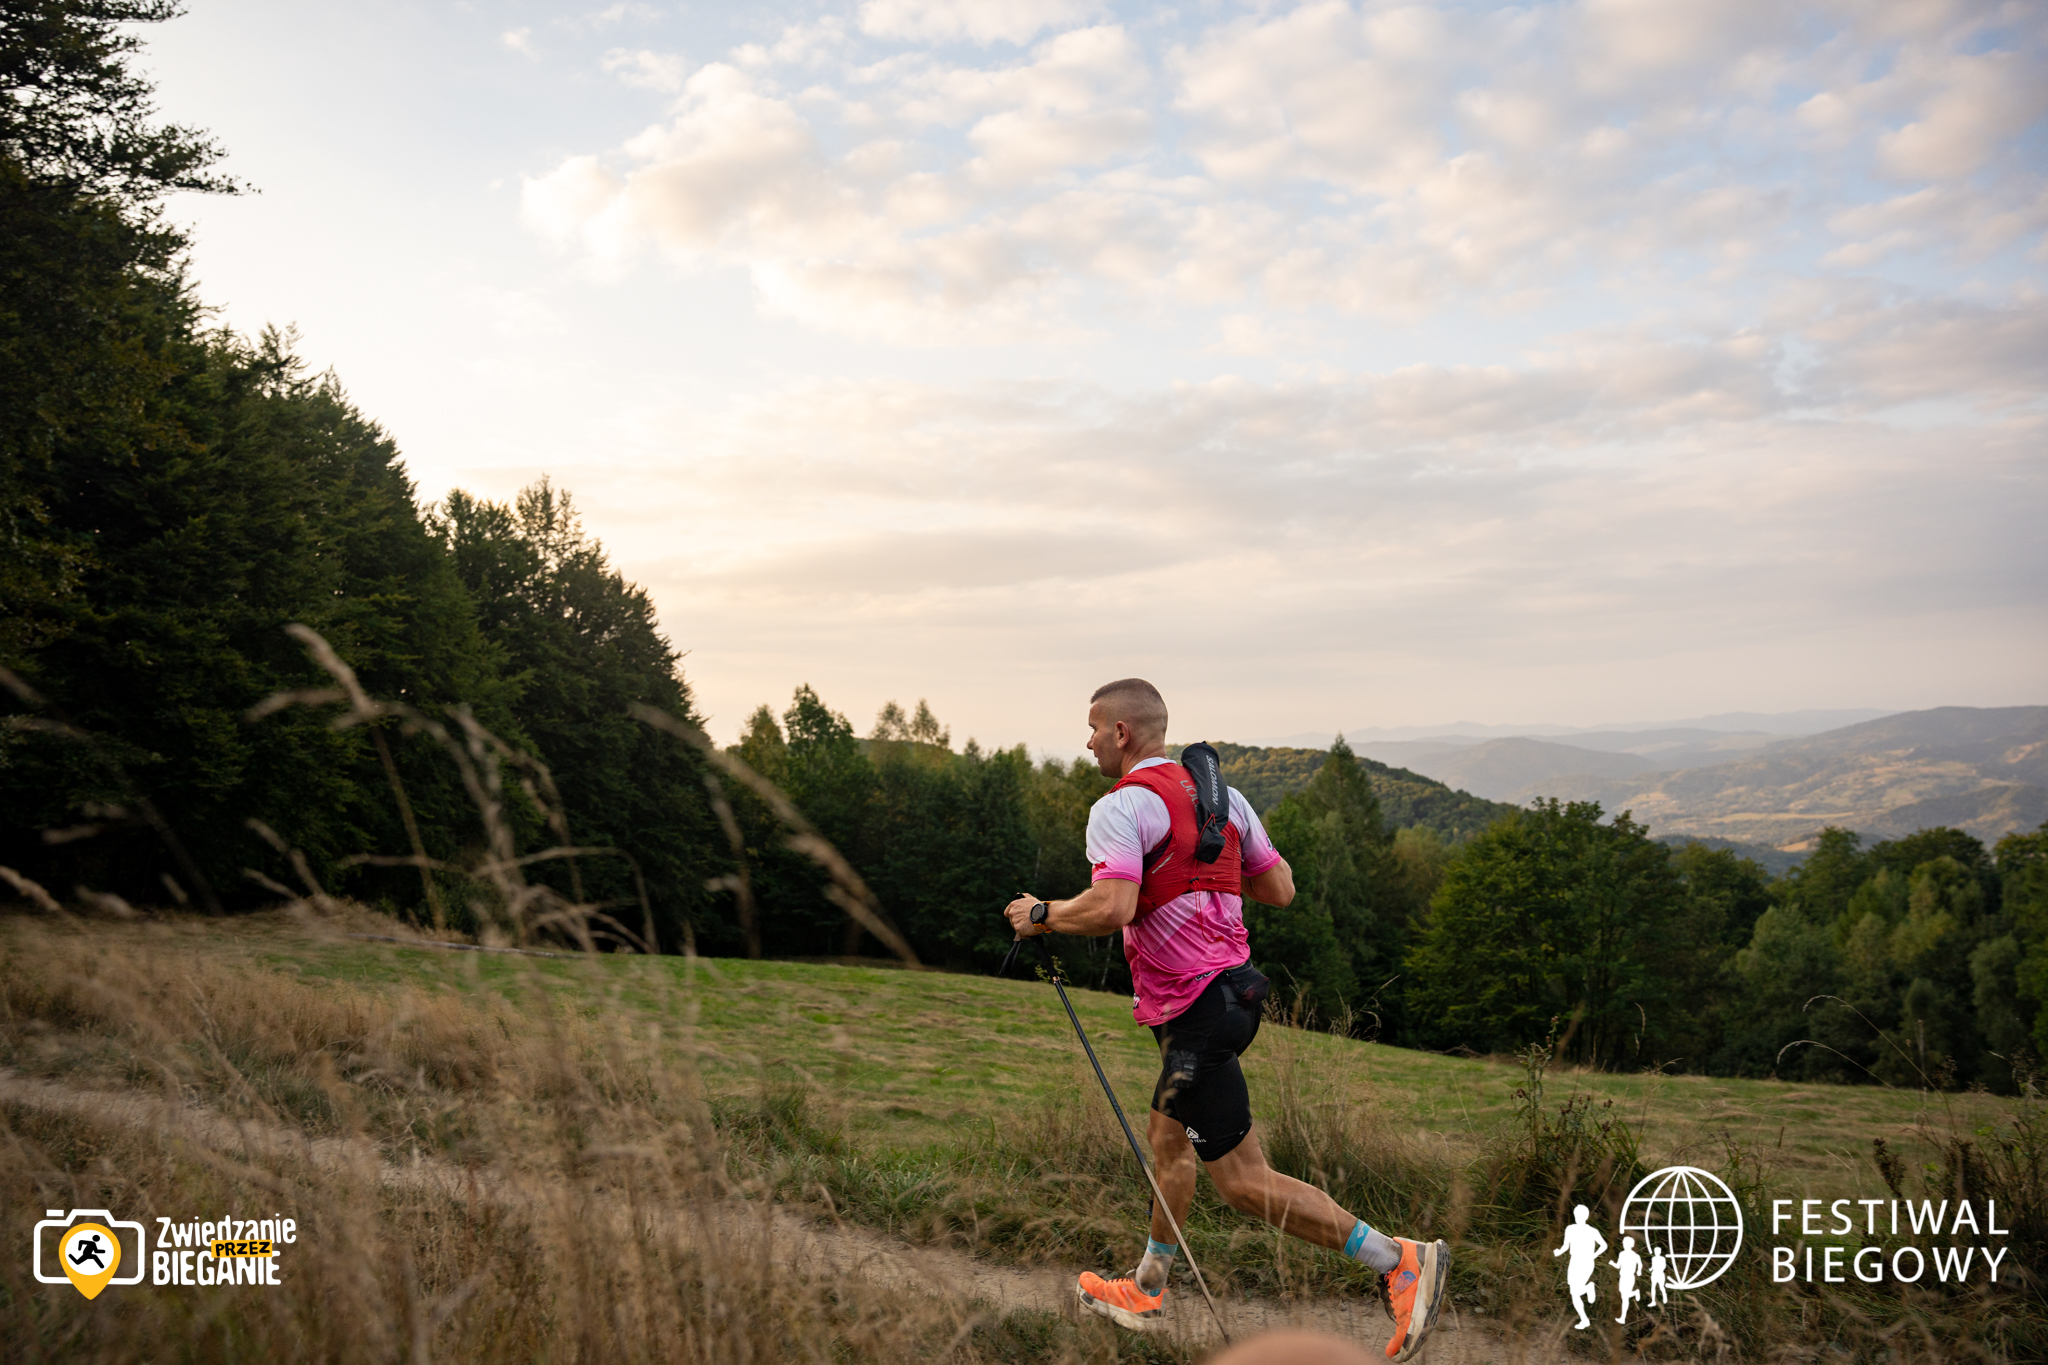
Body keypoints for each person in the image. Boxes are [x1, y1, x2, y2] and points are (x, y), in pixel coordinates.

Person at [1004, 678, 1450, 1363]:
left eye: (1093, 727)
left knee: (1241, 1181)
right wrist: (1199, 870)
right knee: (1168, 1138)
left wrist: (1043, 915)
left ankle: (1398, 1259)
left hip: (1196, 1011)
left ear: (1122, 732)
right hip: (1234, 995)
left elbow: (1113, 906)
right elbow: (1281, 888)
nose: (1088, 740)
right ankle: (1150, 1284)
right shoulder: (1226, 801)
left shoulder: (1121, 808)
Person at [1551, 1205, 1607, 1330]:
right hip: (1575, 1261)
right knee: (1574, 1292)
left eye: (1581, 1215)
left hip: (1584, 1261)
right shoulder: (1571, 1229)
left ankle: (1588, 1290)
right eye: (1577, 1215)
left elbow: (1604, 1245)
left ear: (1586, 1216)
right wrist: (1558, 1252)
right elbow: (1565, 1246)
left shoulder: (1590, 1231)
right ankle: (1584, 1318)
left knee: (1575, 1292)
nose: (1578, 1217)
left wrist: (1594, 1255)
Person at [1610, 1235, 1643, 1325]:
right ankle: (1635, 1292)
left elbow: (1639, 1264)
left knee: (1625, 1297)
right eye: (1624, 1243)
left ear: (1630, 1245)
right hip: (1623, 1277)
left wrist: (1639, 1270)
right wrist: (1613, 1263)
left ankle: (1623, 1317)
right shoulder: (1623, 1254)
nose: (1624, 1244)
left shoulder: (1633, 1255)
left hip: (1629, 1277)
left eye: (1626, 1243)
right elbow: (1619, 1266)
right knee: (1623, 1294)